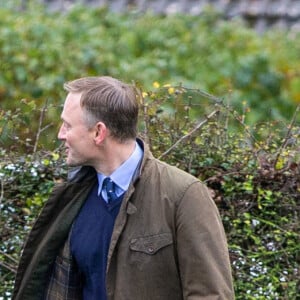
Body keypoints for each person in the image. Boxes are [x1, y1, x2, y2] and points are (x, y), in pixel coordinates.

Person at [13, 76, 234, 300]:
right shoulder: (72, 197)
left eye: (68, 125)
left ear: (99, 132)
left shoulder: (184, 195)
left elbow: (211, 295)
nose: (61, 134)